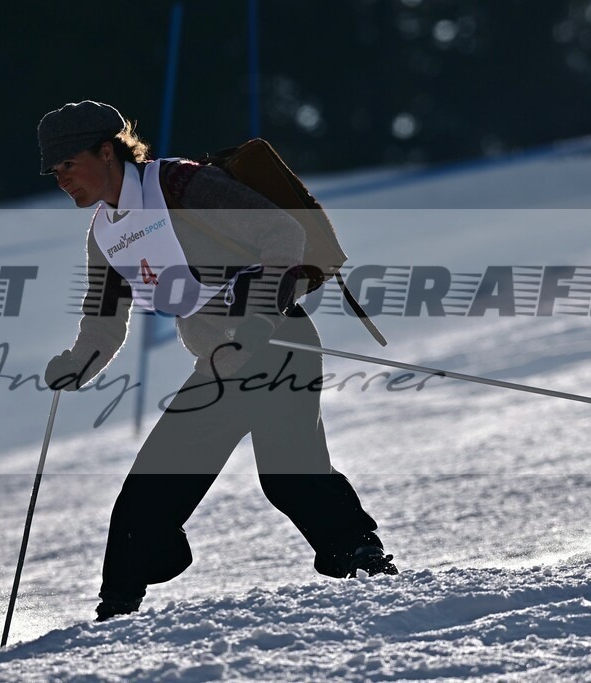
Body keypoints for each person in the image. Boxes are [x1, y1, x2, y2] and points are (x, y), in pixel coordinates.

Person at [38, 100, 396, 622]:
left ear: (107, 150)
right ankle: (115, 610)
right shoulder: (104, 232)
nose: (62, 179)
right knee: (145, 499)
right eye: (55, 171)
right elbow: (103, 321)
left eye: (69, 163)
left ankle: (366, 568)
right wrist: (77, 362)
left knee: (290, 476)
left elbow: (281, 235)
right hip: (218, 367)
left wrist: (257, 320)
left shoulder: (181, 184)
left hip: (279, 346)